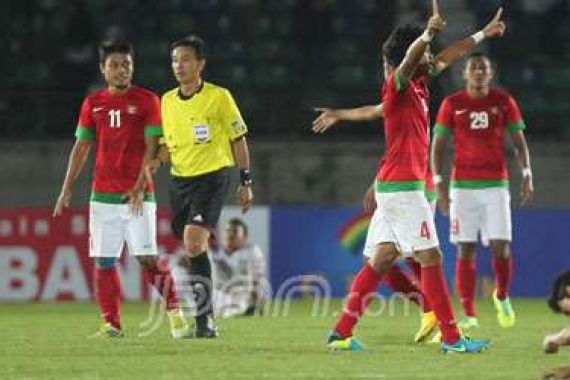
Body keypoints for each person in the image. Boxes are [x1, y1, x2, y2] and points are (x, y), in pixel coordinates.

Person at [324, 0, 505, 353]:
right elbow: (409, 60)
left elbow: (450, 54)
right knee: (431, 256)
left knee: (381, 259)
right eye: (426, 54)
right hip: (405, 188)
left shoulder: (419, 84)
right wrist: (425, 34)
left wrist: (485, 32)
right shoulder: (400, 82)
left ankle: (341, 333)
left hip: (394, 185)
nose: (431, 59)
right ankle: (452, 339)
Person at [53, 40, 189, 338]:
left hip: (138, 196)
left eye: (126, 64)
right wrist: (66, 189)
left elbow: (153, 147)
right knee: (104, 260)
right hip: (102, 196)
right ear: (103, 69)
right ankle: (111, 323)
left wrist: (141, 186)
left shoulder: (147, 101)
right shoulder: (93, 103)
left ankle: (176, 312)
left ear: (133, 67)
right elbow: (81, 147)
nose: (121, 70)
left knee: (147, 258)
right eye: (114, 65)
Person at [149, 34, 254, 338]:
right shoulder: (166, 101)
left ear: (200, 64)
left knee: (193, 241)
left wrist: (245, 182)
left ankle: (205, 320)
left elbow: (239, 139)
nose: (178, 66)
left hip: (212, 177)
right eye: (174, 60)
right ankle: (206, 314)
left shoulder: (219, 97)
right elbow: (167, 144)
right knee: (192, 246)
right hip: (180, 181)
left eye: (185, 59)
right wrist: (156, 162)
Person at [313, 103, 438, 343]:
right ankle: (433, 313)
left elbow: (378, 116)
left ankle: (443, 323)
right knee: (385, 259)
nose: (387, 74)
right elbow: (384, 130)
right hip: (395, 185)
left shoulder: (409, 93)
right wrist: (378, 179)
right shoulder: (399, 96)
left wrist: (339, 114)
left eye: (389, 67)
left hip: (413, 187)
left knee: (414, 256)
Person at [431, 52, 534, 331]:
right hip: (462, 187)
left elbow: (519, 142)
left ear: (490, 73)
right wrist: (438, 184)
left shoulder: (503, 102)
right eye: (474, 68)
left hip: (496, 186)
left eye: (483, 68)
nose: (478, 72)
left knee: (501, 247)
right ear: (465, 74)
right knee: (466, 248)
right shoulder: (452, 104)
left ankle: (501, 295)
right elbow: (438, 146)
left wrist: (527, 173)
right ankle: (468, 312)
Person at [209, 218, 267, 318]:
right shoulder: (212, 252)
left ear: (245, 237)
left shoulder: (252, 251)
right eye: (227, 231)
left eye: (235, 232)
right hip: (218, 294)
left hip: (241, 295)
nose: (230, 235)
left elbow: (258, 280)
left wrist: (259, 304)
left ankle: (242, 310)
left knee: (261, 286)